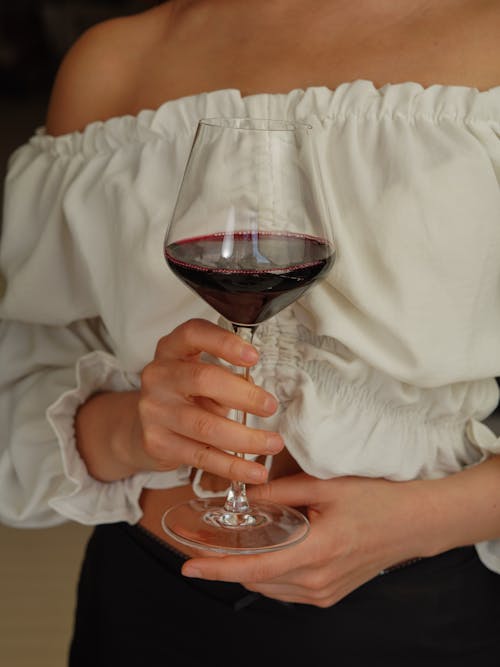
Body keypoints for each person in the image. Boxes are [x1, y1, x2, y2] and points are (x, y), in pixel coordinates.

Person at [2, 0, 500, 664]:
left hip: (424, 617)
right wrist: (132, 427)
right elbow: (25, 390)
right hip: (147, 605)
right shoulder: (110, 65)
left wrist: (435, 517)